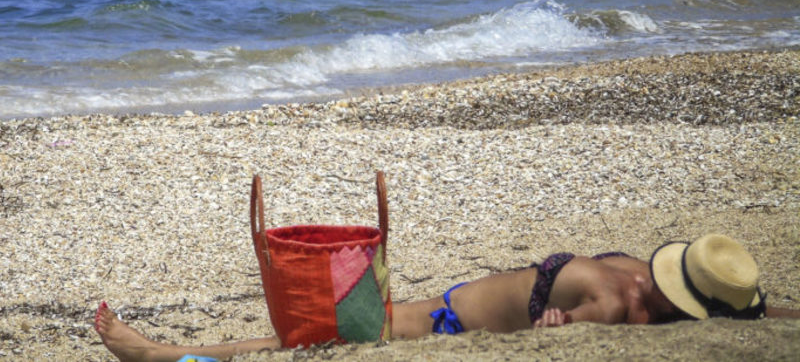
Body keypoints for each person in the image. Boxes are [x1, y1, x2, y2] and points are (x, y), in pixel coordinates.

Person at [93, 233, 799, 362]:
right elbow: (751, 308)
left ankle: (162, 354)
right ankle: (164, 351)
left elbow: (562, 336)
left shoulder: (624, 292)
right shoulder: (625, 301)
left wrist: (558, 327)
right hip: (452, 305)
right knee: (326, 328)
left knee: (315, 336)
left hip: (448, 322)